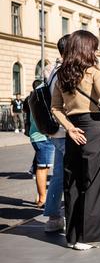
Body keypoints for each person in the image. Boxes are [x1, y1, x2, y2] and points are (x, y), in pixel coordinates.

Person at [51, 30, 100, 250]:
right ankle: (91, 237)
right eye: (94, 46)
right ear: (87, 48)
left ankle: (74, 237)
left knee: (73, 183)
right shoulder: (94, 71)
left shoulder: (61, 74)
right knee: (96, 184)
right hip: (94, 129)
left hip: (73, 131)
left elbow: (55, 108)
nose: (96, 50)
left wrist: (69, 129)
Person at [44, 34, 70, 233]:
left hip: (56, 131)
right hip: (66, 129)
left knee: (59, 175)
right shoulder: (65, 72)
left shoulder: (53, 71)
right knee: (69, 175)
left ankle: (53, 216)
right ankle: (68, 216)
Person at [27, 79, 55, 208]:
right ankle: (42, 199)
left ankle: (40, 196)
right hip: (43, 137)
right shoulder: (42, 99)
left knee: (42, 167)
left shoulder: (33, 97)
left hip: (37, 136)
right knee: (43, 168)